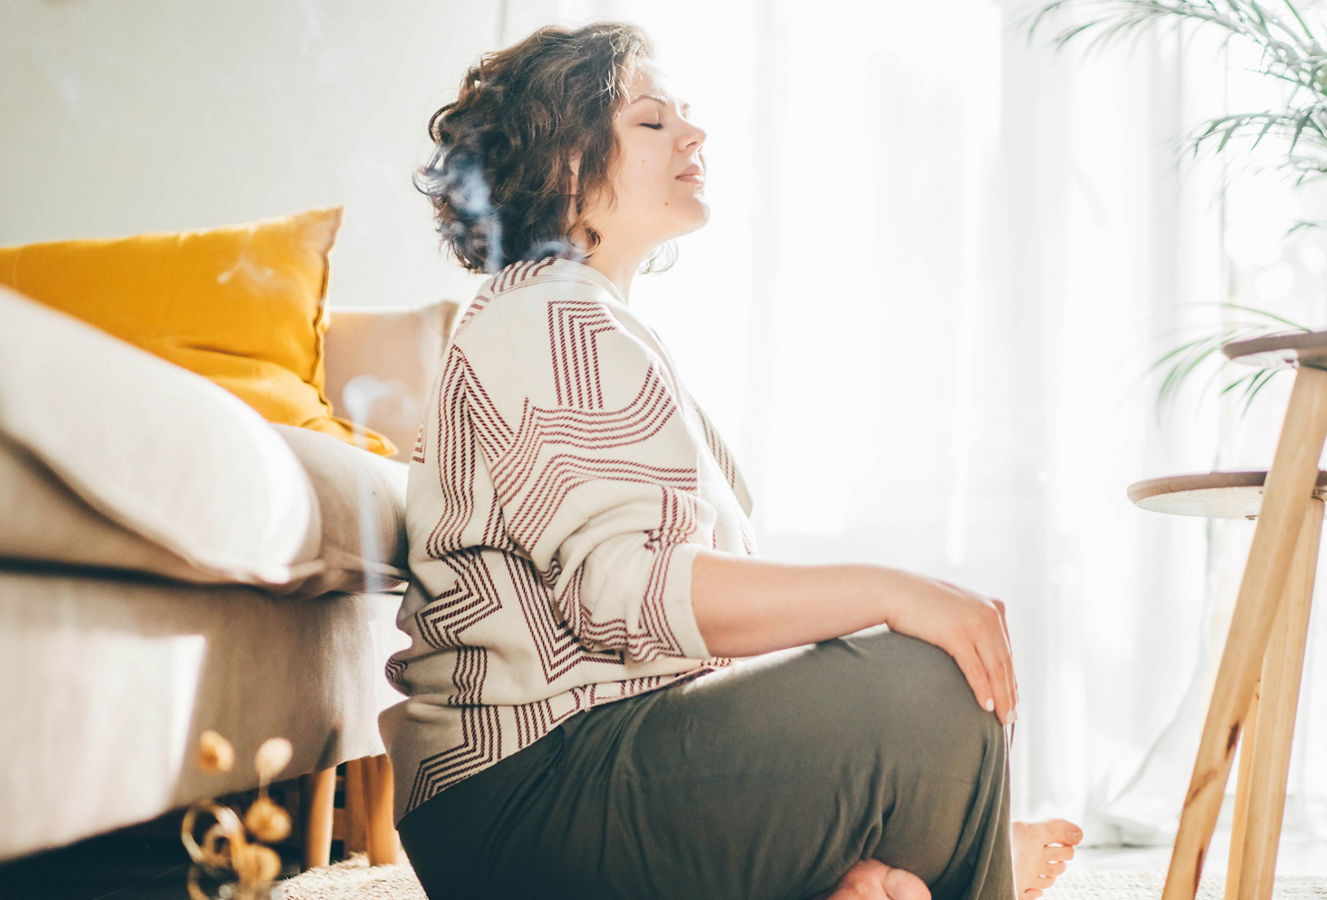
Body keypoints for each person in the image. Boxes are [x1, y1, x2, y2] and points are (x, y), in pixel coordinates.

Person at [378, 20, 1083, 900]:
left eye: (686, 118)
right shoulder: (551, 317)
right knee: (932, 683)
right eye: (651, 121)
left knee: (918, 694)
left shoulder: (577, 319)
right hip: (526, 797)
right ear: (565, 166)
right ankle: (973, 869)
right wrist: (893, 592)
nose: (693, 135)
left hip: (556, 780)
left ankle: (882, 873)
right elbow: (627, 601)